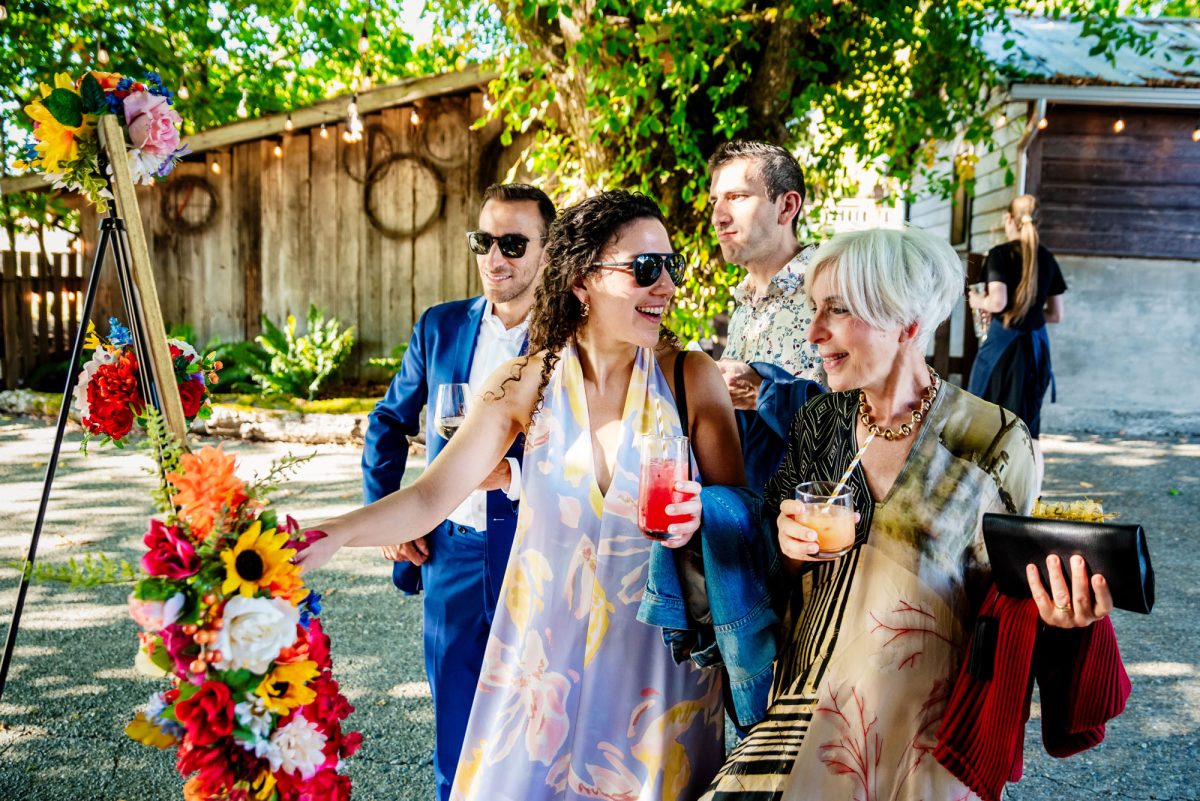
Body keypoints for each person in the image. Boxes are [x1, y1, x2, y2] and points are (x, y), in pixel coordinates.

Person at [300, 190, 745, 801]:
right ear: (584, 281)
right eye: (645, 269)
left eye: (673, 266)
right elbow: (432, 496)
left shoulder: (692, 379)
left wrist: (708, 517)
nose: (666, 285)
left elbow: (742, 523)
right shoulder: (524, 384)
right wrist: (336, 533)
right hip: (543, 672)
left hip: (661, 674)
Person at [700, 226, 1113, 801]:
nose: (815, 333)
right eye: (814, 310)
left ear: (908, 325)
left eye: (837, 311)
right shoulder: (820, 423)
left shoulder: (994, 439)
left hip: (928, 733)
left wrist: (1063, 618)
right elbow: (773, 580)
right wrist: (788, 551)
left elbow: (1007, 605)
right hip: (809, 715)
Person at [360, 182, 555, 801]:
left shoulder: (572, 337)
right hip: (452, 552)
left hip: (537, 550)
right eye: (484, 241)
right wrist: (388, 516)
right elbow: (388, 422)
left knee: (535, 719)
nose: (495, 257)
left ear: (548, 252)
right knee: (455, 726)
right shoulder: (439, 326)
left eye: (514, 243)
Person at [707, 140, 824, 491]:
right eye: (715, 201)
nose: (718, 216)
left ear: (786, 207)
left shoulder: (831, 292)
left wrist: (760, 392)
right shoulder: (744, 300)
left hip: (810, 521)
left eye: (738, 197)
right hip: (748, 519)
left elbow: (862, 417)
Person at [968, 193, 1066, 482]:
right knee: (1029, 428)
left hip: (1004, 353)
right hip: (1035, 351)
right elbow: (1056, 315)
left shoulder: (1000, 254)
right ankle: (1031, 502)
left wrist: (976, 300)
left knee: (987, 422)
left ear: (1008, 219)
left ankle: (985, 493)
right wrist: (1029, 317)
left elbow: (997, 302)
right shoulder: (1047, 258)